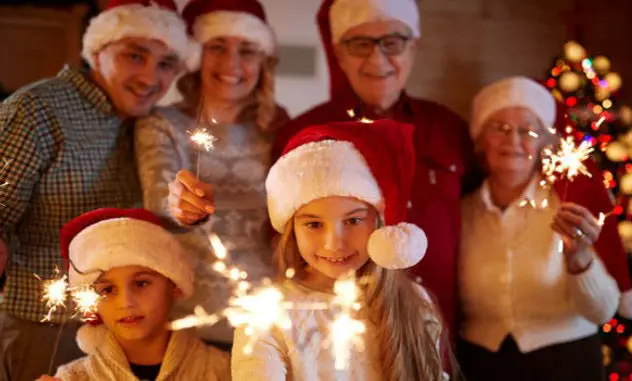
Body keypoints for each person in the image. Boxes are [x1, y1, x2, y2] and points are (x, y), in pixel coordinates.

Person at [0, 0, 190, 378]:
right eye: (135, 56)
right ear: (98, 52)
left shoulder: (149, 123)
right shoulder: (37, 110)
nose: (151, 77)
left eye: (166, 64)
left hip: (122, 334)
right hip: (44, 328)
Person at [273, 0, 480, 336]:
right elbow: (282, 239)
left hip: (442, 332)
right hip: (341, 336)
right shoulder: (302, 134)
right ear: (339, 54)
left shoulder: (449, 128)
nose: (377, 59)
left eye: (392, 42)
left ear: (413, 47)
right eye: (360, 44)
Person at [231, 120, 457, 380]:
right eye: (314, 224)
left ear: (380, 223)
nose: (334, 243)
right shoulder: (266, 315)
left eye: (353, 221)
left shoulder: (415, 303)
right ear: (292, 229)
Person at [457, 76, 632, 381]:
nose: (514, 140)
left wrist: (579, 261)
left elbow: (603, 311)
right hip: (482, 366)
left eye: (527, 130)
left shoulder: (569, 207)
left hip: (567, 364)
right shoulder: (461, 212)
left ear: (545, 143)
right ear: (481, 139)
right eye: (500, 128)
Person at [135, 0, 289, 349]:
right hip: (188, 323)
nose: (232, 64)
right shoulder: (163, 124)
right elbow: (158, 196)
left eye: (247, 50)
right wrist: (180, 204)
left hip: (265, 324)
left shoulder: (277, 129)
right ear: (195, 57)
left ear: (262, 62)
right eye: (217, 47)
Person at [35, 208, 230, 381]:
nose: (126, 302)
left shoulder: (225, 370)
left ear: (174, 284)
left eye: (141, 283)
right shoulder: (74, 378)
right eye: (107, 290)